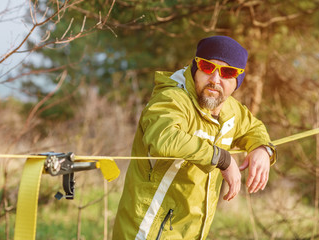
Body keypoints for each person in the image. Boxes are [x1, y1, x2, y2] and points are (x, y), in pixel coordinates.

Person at [112, 35, 277, 240]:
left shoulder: (230, 108)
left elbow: (253, 128)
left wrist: (262, 149)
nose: (215, 80)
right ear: (195, 67)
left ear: (237, 81)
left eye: (227, 72)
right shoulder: (172, 98)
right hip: (147, 230)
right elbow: (164, 138)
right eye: (208, 67)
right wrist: (223, 160)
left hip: (190, 233)